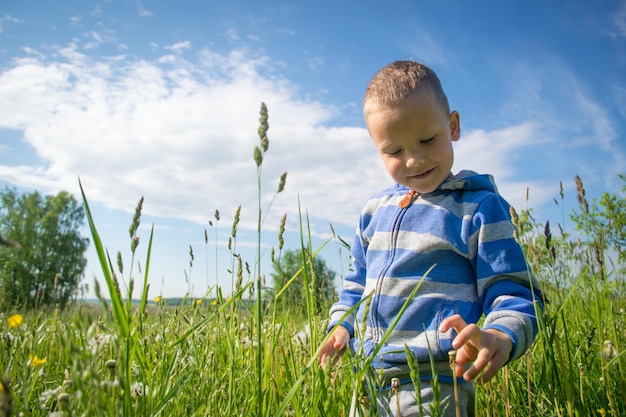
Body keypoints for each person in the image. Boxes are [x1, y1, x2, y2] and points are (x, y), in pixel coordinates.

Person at [319, 60, 542, 417]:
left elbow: (515, 292)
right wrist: (342, 325)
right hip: (366, 379)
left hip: (433, 380)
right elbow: (356, 286)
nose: (413, 159)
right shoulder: (373, 211)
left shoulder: (476, 207)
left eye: (427, 139)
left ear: (452, 126)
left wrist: (501, 335)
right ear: (377, 147)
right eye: (394, 151)